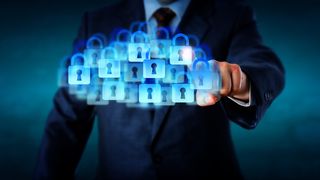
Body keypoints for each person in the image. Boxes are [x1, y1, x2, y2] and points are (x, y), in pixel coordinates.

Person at [34, 0, 285, 179]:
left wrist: (238, 81)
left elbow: (262, 63)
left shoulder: (231, 17)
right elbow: (67, 120)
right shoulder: (98, 23)